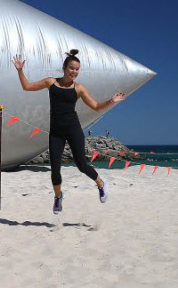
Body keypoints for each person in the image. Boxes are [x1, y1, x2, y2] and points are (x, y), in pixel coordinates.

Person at [12, 49, 126, 213]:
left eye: (77, 69)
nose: (74, 72)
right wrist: (20, 70)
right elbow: (27, 87)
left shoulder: (79, 89)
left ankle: (101, 183)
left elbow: (95, 106)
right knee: (55, 169)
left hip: (73, 129)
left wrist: (111, 101)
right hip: (56, 132)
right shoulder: (51, 82)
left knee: (82, 165)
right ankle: (58, 197)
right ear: (65, 68)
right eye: (72, 68)